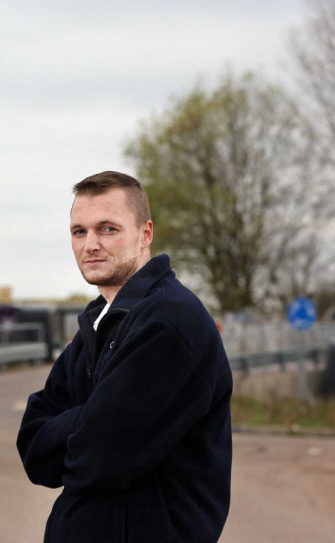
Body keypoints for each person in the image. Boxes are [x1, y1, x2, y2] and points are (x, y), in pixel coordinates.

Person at [17, 171, 232, 543]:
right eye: (79, 231)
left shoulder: (169, 322)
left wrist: (83, 423)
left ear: (145, 234)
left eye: (108, 229)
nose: (91, 244)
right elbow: (34, 448)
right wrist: (92, 416)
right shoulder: (99, 320)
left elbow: (100, 454)